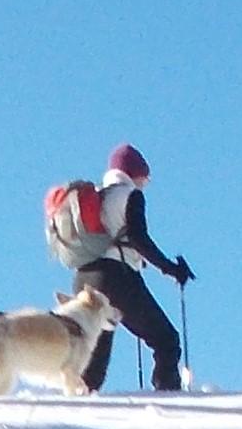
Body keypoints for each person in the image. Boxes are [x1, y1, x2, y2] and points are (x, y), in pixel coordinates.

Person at [65, 144, 196, 393]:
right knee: (166, 340)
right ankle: (169, 398)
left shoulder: (98, 196)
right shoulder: (130, 195)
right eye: (145, 177)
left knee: (94, 354)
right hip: (116, 278)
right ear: (135, 173)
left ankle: (81, 403)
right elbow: (139, 239)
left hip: (83, 277)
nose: (145, 183)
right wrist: (170, 268)